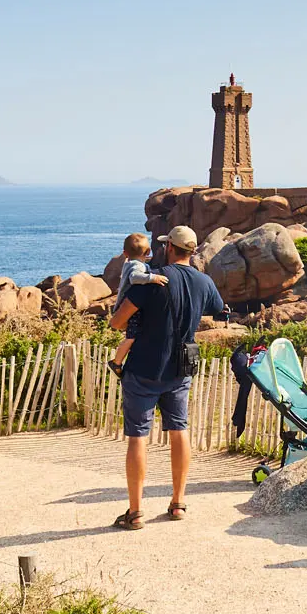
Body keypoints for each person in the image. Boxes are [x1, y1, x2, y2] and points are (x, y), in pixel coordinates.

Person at [105, 225, 226, 529]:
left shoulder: (153, 279)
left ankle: (135, 513)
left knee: (138, 435)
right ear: (192, 251)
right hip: (181, 367)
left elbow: (117, 322)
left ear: (169, 247)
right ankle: (178, 503)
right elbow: (217, 309)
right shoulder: (203, 281)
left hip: (144, 367)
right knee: (179, 429)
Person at [108, 232, 168, 374]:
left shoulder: (129, 263)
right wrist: (152, 278)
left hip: (126, 304)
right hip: (129, 306)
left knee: (134, 334)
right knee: (131, 337)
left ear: (125, 253)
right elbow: (135, 277)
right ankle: (116, 362)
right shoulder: (137, 266)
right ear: (148, 251)